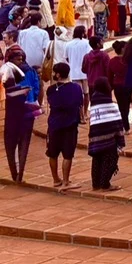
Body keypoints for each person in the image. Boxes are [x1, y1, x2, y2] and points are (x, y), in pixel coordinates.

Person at [45, 62, 83, 191]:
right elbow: (79, 103)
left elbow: (51, 102)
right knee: (68, 154)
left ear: (58, 74)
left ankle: (56, 179)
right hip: (70, 124)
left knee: (52, 153)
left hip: (54, 125)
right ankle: (66, 181)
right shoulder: (76, 88)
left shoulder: (51, 89)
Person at [87, 77, 126, 191]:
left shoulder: (93, 105)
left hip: (95, 137)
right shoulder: (112, 106)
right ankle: (105, 184)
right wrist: (120, 141)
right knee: (110, 160)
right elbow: (117, 124)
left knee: (97, 159)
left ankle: (95, 184)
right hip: (110, 140)